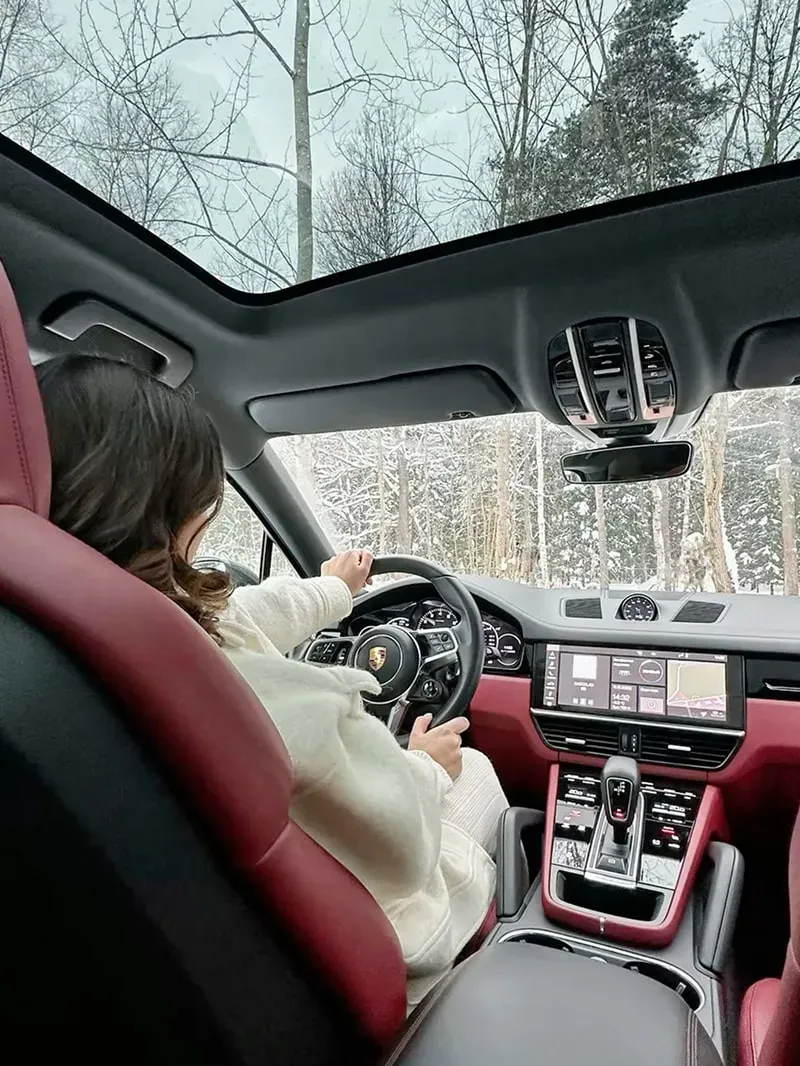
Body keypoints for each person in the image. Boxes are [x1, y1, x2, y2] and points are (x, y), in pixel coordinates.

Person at [34, 355, 508, 1011]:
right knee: (475, 769)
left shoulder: (72, 636)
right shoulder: (256, 696)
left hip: (227, 949)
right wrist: (425, 766)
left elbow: (239, 614)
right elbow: (403, 846)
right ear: (166, 511)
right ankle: (487, 962)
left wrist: (333, 590)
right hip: (373, 954)